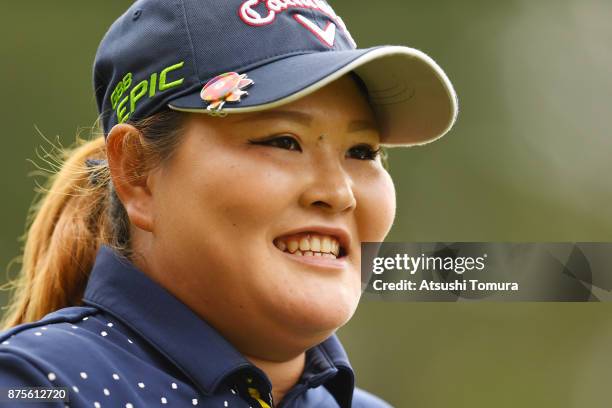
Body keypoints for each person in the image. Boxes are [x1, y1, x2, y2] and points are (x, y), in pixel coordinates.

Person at [0, 0, 457, 407]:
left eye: (362, 151)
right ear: (138, 175)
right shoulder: (37, 385)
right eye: (283, 141)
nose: (339, 194)